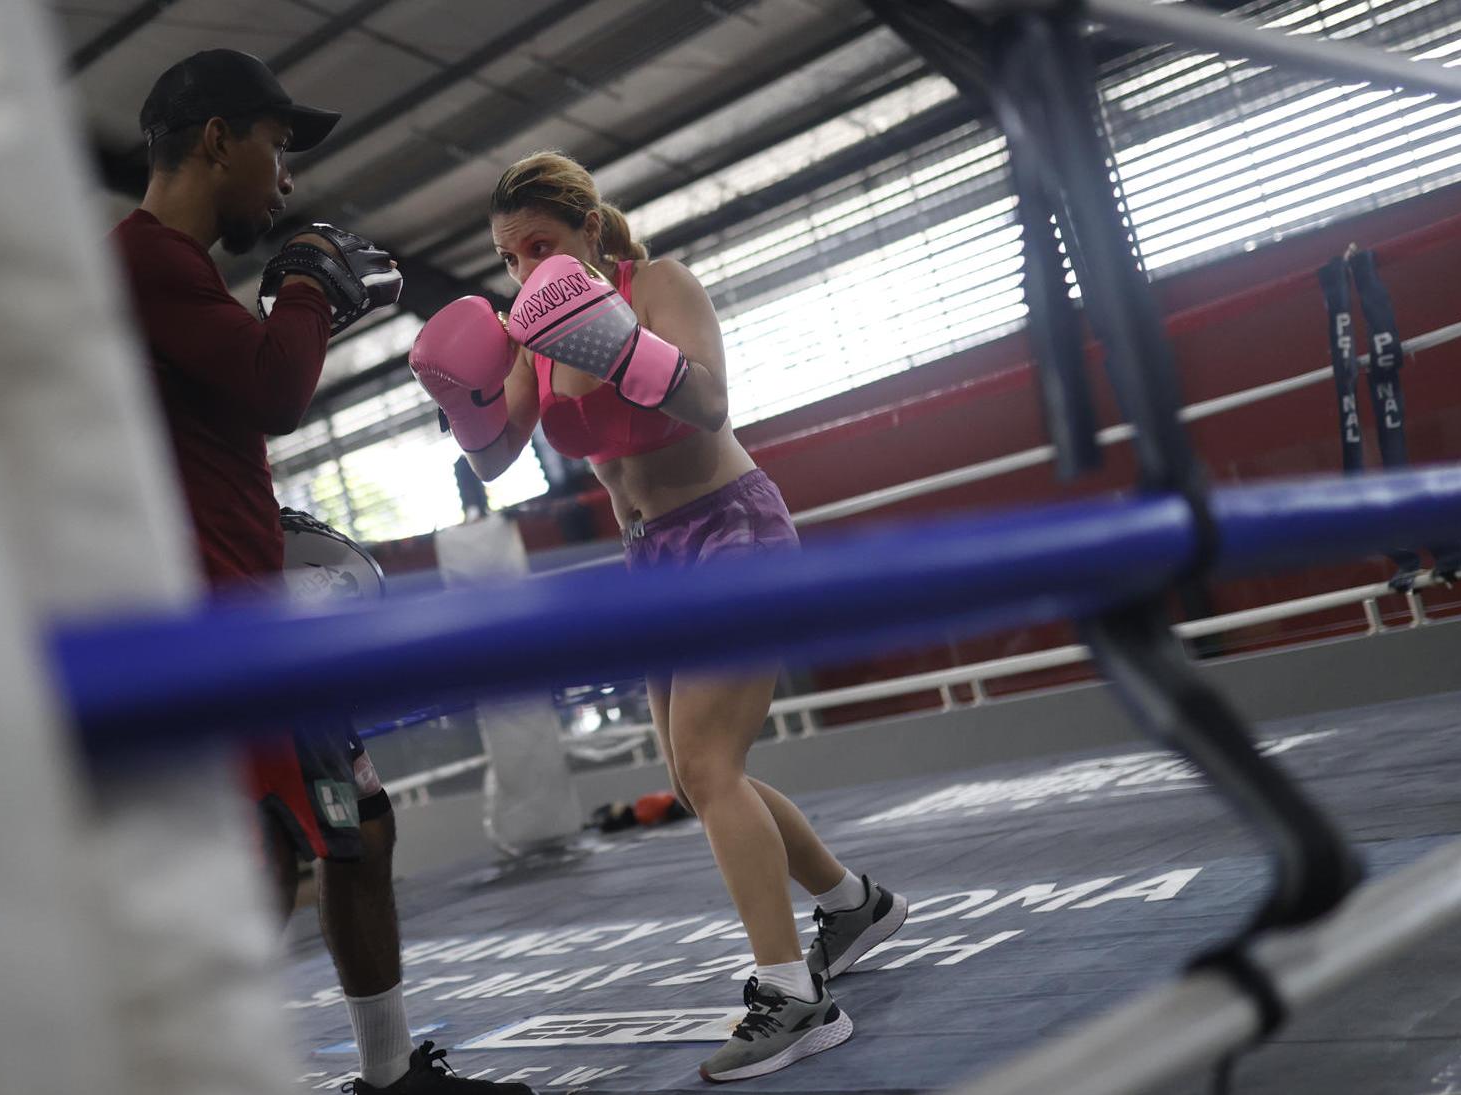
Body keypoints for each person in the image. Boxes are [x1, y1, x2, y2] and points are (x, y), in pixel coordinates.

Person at [409, 151, 910, 1083]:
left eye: (539, 246)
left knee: (712, 766)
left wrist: (624, 344)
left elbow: (713, 400)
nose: (523, 271)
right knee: (693, 774)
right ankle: (853, 904)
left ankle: (795, 997)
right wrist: (462, 395)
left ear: (588, 230)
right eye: (507, 257)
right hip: (650, 558)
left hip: (731, 529)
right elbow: (492, 462)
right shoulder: (530, 336)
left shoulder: (661, 285)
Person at [109, 49, 531, 1095]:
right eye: (276, 146)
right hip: (213, 627)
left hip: (250, 600)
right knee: (258, 863)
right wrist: (303, 283)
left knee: (357, 835)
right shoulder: (145, 259)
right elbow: (275, 387)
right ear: (219, 139)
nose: (285, 179)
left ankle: (387, 1078)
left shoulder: (176, 274)